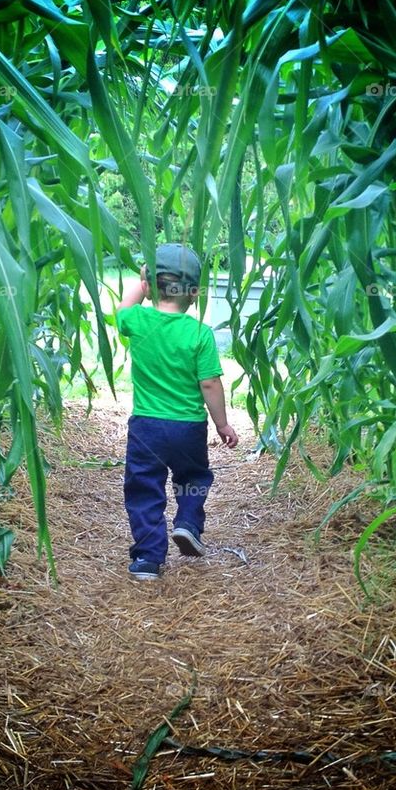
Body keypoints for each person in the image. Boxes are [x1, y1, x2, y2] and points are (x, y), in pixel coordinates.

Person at [115, 243, 239, 581]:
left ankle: (148, 559)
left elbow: (123, 307)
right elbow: (210, 384)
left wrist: (142, 281)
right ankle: (187, 523)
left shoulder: (137, 321)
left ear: (148, 286)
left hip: (147, 427)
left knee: (144, 486)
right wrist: (222, 424)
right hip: (188, 428)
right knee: (193, 478)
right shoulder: (200, 333)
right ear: (194, 294)